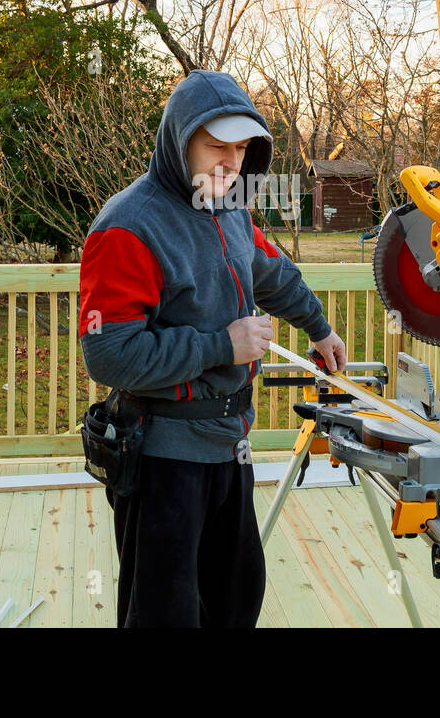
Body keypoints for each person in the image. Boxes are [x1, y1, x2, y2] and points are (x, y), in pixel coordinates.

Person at [78, 69, 346, 628]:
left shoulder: (230, 208)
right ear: (181, 140)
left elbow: (273, 274)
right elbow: (109, 356)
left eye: (242, 148)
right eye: (215, 145)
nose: (231, 162)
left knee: (235, 599)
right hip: (162, 456)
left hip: (230, 445)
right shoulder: (127, 226)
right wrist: (222, 345)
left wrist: (319, 329)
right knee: (165, 616)